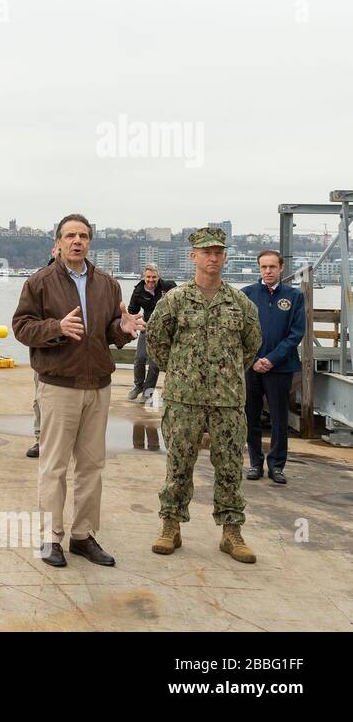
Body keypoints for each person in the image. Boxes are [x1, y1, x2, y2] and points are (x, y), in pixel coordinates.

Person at [13, 214, 143, 567]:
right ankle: (50, 538)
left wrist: (124, 328)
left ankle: (83, 536)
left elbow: (109, 332)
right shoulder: (39, 282)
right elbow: (21, 327)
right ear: (58, 242)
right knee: (53, 465)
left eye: (83, 236)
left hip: (98, 386)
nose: (77, 241)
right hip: (58, 385)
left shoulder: (107, 284)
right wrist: (57, 326)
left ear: (90, 242)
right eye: (70, 235)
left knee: (91, 466)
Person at [146, 227, 263, 563]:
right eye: (206, 252)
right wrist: (183, 371)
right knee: (178, 464)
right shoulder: (175, 300)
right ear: (193, 256)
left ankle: (231, 532)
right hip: (184, 399)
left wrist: (223, 374)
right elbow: (156, 341)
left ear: (224, 257)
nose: (213, 257)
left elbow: (251, 345)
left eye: (218, 252)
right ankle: (170, 526)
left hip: (227, 401)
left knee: (229, 467)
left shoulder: (240, 303)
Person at [242, 251, 306, 485]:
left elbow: (296, 332)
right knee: (252, 415)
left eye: (272, 267)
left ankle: (277, 465)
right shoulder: (247, 294)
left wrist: (272, 359)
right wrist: (256, 358)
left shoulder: (294, 296)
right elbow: (240, 332)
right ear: (259, 269)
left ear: (281, 268)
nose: (267, 271)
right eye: (263, 267)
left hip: (280, 368)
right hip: (251, 366)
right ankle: (255, 463)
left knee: (280, 418)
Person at [26, 245, 61, 458]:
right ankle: (40, 439)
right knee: (40, 399)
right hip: (45, 352)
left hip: (71, 354)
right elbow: (26, 322)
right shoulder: (38, 281)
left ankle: (61, 443)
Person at [127, 264, 176, 402]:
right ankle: (138, 386)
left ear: (158, 277)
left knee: (154, 364)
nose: (151, 280)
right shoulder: (138, 291)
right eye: (148, 277)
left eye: (154, 277)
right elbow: (132, 311)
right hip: (147, 327)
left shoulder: (167, 286)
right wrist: (131, 322)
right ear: (144, 277)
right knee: (140, 358)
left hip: (164, 331)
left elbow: (179, 297)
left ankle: (147, 393)